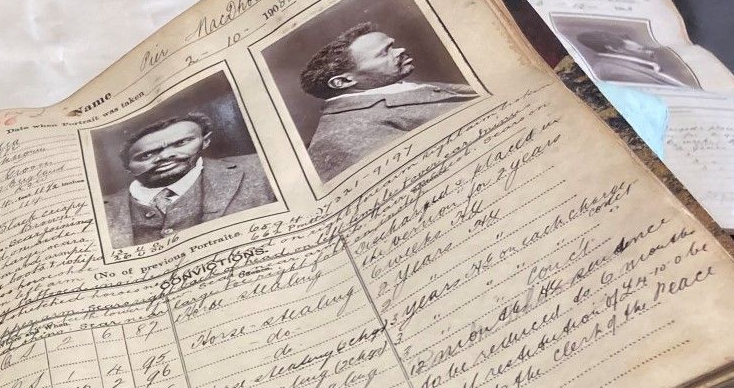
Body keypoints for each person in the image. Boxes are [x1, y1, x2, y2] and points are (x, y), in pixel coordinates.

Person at [299, 23, 477, 179]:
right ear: (343, 82)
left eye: (392, 45)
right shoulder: (341, 137)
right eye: (384, 53)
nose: (400, 50)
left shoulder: (388, 87)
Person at [101, 114, 273, 248]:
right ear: (127, 167)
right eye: (147, 155)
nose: (166, 156)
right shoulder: (100, 210)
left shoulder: (261, 168)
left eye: (181, 143)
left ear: (205, 141)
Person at [574, 31, 694, 88]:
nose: (636, 43)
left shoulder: (629, 62)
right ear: (612, 48)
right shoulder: (607, 69)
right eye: (627, 39)